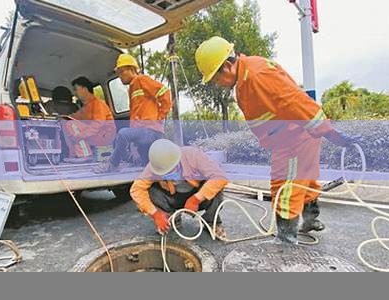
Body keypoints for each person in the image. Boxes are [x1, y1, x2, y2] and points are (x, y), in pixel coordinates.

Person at [195, 36, 359, 244]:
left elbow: (295, 102)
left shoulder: (257, 74)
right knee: (303, 181)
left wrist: (330, 133)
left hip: (294, 140)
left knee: (284, 189)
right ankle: (311, 219)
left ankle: (286, 241)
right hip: (292, 138)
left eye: (215, 79)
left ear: (227, 66)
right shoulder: (247, 76)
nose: (217, 84)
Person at [130, 139, 228, 239]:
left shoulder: (193, 155)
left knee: (216, 190)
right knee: (151, 191)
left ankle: (212, 222)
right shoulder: (155, 166)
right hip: (173, 197)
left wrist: (196, 199)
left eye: (170, 170)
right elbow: (136, 189)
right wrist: (155, 214)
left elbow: (220, 177)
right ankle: (172, 220)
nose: (167, 174)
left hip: (197, 194)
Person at [94, 54, 172, 173]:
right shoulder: (132, 87)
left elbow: (164, 92)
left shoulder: (141, 79)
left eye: (121, 72)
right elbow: (135, 114)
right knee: (142, 164)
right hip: (142, 133)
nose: (119, 76)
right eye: (118, 73)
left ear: (131, 69)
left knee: (123, 134)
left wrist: (161, 117)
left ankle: (112, 164)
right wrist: (133, 146)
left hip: (151, 131)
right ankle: (134, 160)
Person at [62, 77, 116, 163]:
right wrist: (61, 117)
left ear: (84, 89)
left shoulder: (98, 103)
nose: (74, 93)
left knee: (71, 124)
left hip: (104, 135)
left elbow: (97, 125)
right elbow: (74, 117)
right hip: (96, 135)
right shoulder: (87, 106)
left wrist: (80, 135)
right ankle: (73, 154)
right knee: (65, 122)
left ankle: (85, 155)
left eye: (76, 90)